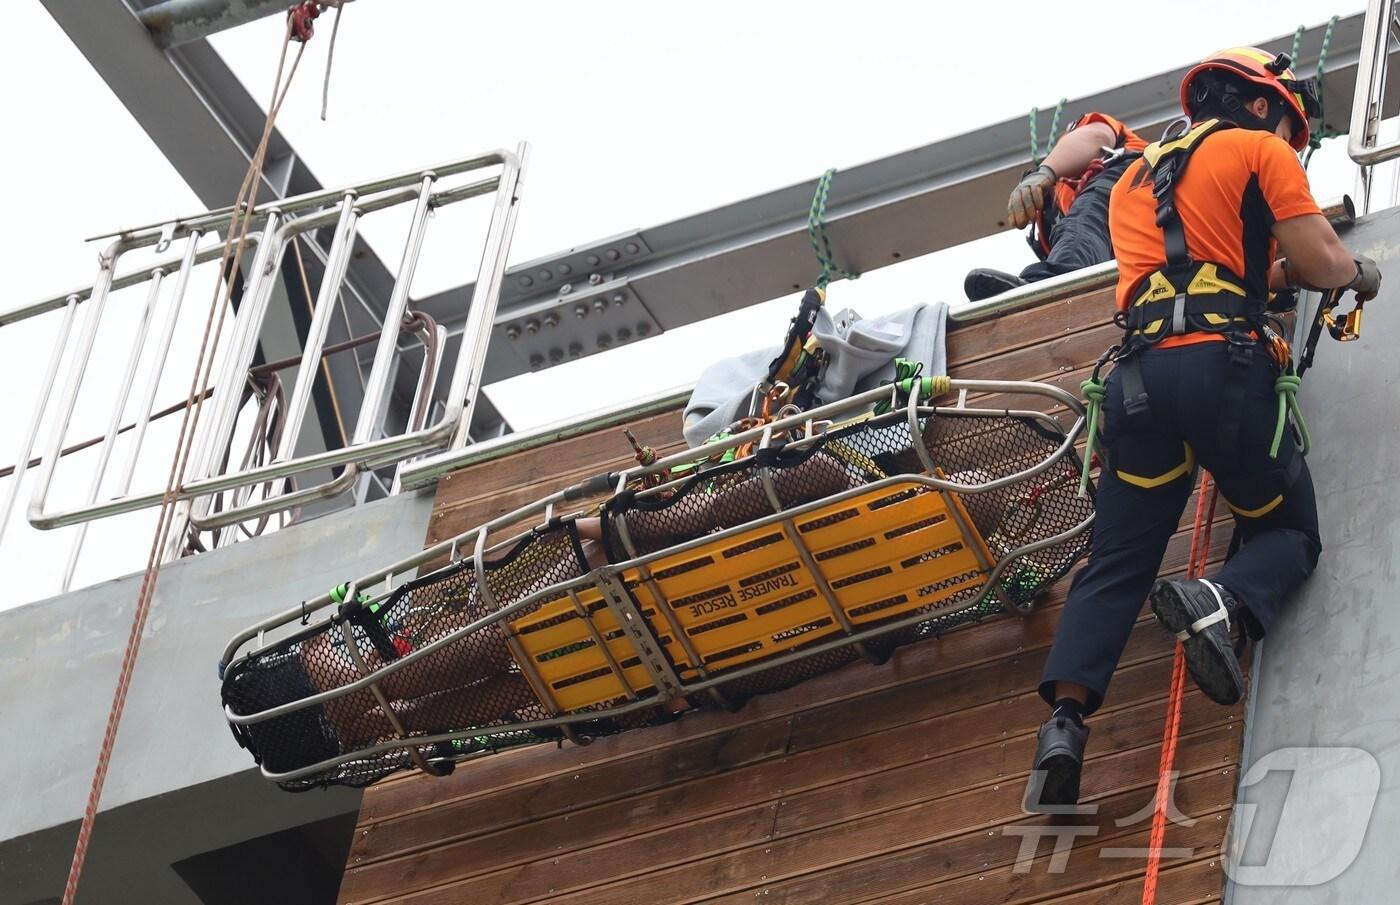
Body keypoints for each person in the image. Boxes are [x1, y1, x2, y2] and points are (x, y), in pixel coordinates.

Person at [1025, 47, 1382, 810]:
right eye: (1288, 121)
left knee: (1118, 558)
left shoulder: (1134, 177)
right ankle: (1221, 599)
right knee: (1289, 531)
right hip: (1223, 372)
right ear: (1261, 105)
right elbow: (1317, 259)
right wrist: (1355, 273)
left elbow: (1204, 265)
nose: (1291, 137)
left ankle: (1065, 721)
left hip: (1140, 382)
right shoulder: (1258, 150)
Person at [964, 112, 1147, 302]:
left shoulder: (1089, 150)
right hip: (1148, 251)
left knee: (1087, 217)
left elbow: (1096, 136)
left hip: (1138, 180)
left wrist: (1045, 172)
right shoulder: (1059, 212)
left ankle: (1056, 284)